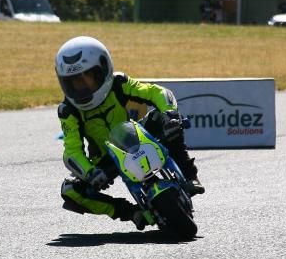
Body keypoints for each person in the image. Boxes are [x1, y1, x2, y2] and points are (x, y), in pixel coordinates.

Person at [54, 36, 203, 231]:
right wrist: (90, 173)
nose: (80, 87)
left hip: (133, 134)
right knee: (71, 190)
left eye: (86, 78)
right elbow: (72, 151)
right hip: (106, 158)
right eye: (73, 82)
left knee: (166, 120)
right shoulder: (68, 110)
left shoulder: (118, 82)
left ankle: (189, 175)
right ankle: (130, 212)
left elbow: (155, 92)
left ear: (103, 69)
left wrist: (169, 113)